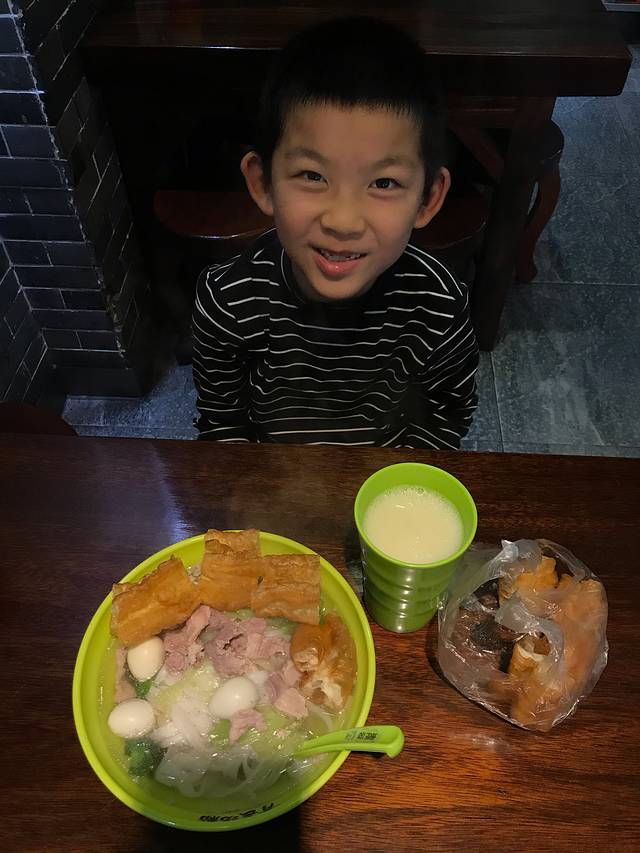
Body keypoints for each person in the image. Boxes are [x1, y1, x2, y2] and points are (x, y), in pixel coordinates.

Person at [192, 15, 478, 449]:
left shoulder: (437, 302)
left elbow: (447, 413)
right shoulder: (229, 300)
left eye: (384, 183)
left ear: (428, 198)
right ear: (263, 183)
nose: (343, 222)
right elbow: (222, 422)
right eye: (312, 175)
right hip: (272, 475)